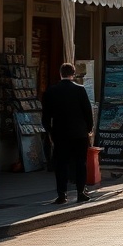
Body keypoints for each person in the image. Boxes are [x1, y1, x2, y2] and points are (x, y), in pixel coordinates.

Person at [41, 62, 94, 205]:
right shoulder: (80, 90)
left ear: (60, 73)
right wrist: (89, 128)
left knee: (61, 164)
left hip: (60, 134)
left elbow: (46, 116)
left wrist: (50, 132)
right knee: (80, 163)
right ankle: (80, 192)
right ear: (74, 73)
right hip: (79, 133)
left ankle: (62, 194)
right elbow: (87, 112)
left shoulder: (52, 91)